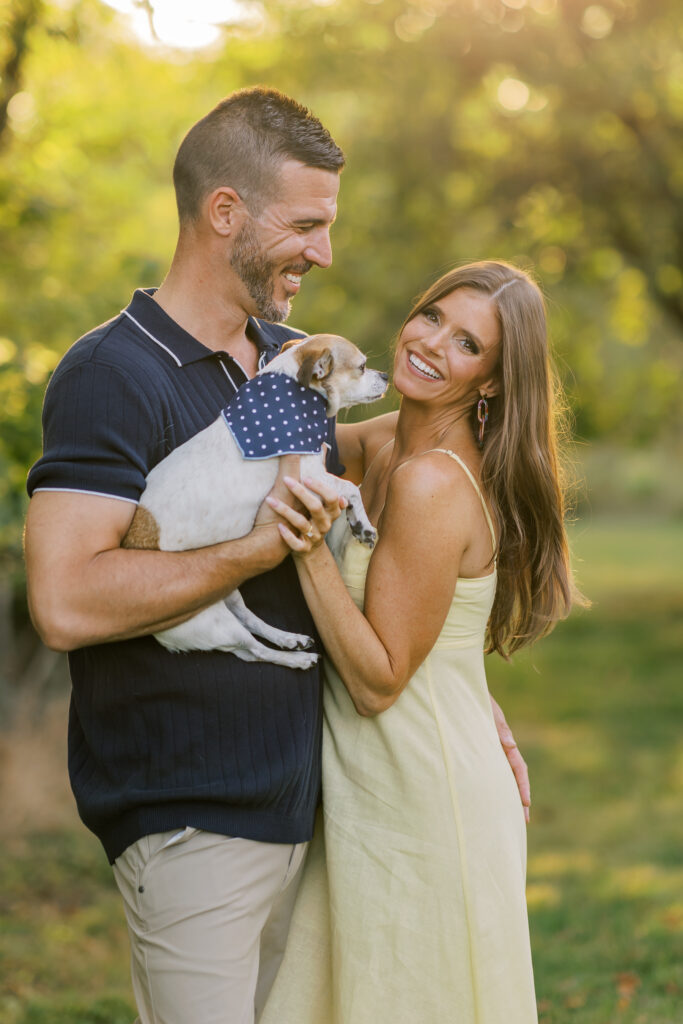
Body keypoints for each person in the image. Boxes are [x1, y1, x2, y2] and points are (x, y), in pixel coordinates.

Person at [23, 87, 527, 1024]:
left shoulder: (297, 362)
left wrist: (461, 693)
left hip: (322, 813)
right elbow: (65, 602)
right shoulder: (113, 373)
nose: (323, 253)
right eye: (307, 224)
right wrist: (260, 550)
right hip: (193, 818)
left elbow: (411, 507)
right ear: (226, 214)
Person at [260, 261, 581, 1024]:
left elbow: (379, 682)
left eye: (467, 344)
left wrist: (308, 549)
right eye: (432, 316)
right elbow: (263, 443)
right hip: (375, 784)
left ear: (493, 383)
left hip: (422, 796)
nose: (432, 343)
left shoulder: (431, 483)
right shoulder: (383, 443)